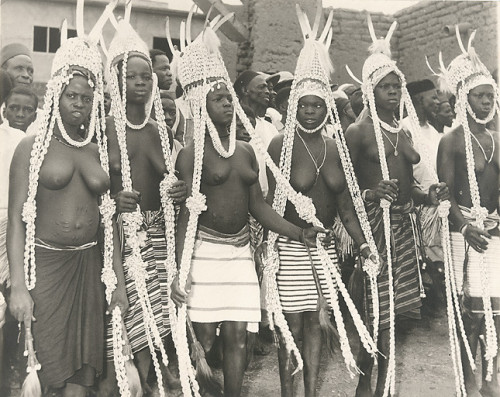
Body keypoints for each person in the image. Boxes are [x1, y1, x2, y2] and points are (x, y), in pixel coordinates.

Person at [168, 13, 325, 397]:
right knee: (204, 338)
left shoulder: (245, 152)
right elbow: (188, 213)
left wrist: (298, 231)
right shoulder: (191, 154)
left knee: (240, 336)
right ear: (201, 104)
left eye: (228, 97)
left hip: (239, 254)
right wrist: (180, 269)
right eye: (218, 98)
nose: (226, 103)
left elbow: (260, 207)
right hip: (204, 252)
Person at [7, 4, 128, 394]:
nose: (79, 103)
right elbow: (15, 221)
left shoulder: (99, 150)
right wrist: (19, 288)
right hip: (46, 269)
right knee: (47, 371)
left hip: (90, 269)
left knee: (85, 375)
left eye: (87, 98)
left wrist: (118, 282)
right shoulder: (31, 147)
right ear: (56, 95)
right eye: (72, 95)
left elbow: (109, 221)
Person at [265, 7, 377, 396]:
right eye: (304, 105)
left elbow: (346, 208)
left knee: (317, 324)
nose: (310, 111)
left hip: (324, 250)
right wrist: (294, 235)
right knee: (289, 328)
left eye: (317, 105)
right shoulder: (280, 144)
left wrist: (363, 244)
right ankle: (288, 393)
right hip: (291, 248)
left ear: (327, 107)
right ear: (292, 106)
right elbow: (268, 206)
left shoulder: (335, 147)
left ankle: (310, 393)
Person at [344, 16, 448, 397]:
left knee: (393, 314)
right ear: (370, 91)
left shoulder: (403, 132)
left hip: (404, 228)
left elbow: (410, 189)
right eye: (384, 87)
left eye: (396, 86)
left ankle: (384, 385)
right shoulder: (358, 132)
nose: (392, 92)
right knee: (376, 310)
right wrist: (372, 194)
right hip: (375, 227)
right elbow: (347, 189)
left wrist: (428, 196)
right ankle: (363, 383)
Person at [99, 16, 186, 396]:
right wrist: (114, 201)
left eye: (146, 75)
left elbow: (169, 183)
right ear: (117, 80)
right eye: (132, 76)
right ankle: (127, 385)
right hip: (120, 238)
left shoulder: (158, 131)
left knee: (157, 326)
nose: (141, 82)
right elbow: (93, 189)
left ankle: (149, 384)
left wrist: (178, 193)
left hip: (159, 238)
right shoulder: (103, 130)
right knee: (126, 323)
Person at [437, 32, 500, 397]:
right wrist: (465, 227)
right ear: (464, 98)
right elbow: (445, 199)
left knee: (497, 311)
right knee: (471, 314)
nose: (487, 101)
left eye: (490, 95)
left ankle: (492, 378)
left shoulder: (496, 138)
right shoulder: (452, 141)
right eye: (480, 95)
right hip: (464, 236)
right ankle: (469, 381)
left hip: (493, 234)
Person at [403, 79, 445, 313]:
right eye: (434, 97)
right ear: (419, 100)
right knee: (423, 260)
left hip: (438, 207)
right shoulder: (404, 129)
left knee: (438, 259)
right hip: (417, 206)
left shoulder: (436, 133)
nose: (438, 102)